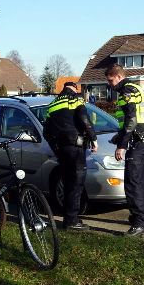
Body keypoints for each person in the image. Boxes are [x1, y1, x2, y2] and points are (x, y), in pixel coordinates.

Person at [105, 64, 144, 237]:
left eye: (110, 80)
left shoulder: (126, 90)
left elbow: (131, 120)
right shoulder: (133, 88)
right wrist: (118, 137)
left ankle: (139, 224)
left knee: (133, 184)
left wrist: (121, 145)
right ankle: (137, 219)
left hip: (138, 141)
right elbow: (131, 121)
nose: (110, 84)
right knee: (138, 182)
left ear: (118, 76)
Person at [43, 81, 98, 231]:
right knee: (76, 184)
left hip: (62, 150)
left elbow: (46, 132)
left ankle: (69, 218)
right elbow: (84, 119)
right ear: (74, 88)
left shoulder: (53, 104)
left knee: (67, 183)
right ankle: (72, 221)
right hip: (76, 148)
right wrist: (93, 138)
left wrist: (56, 148)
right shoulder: (75, 99)